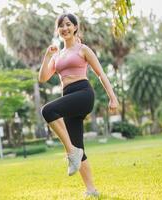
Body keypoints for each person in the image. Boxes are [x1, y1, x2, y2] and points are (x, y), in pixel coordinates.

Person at [38, 13, 119, 197]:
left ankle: (71, 152)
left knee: (48, 110)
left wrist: (112, 97)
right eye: (61, 26)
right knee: (77, 145)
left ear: (75, 27)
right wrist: (47, 56)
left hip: (83, 93)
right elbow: (42, 78)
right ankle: (91, 190)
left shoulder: (83, 49)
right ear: (58, 30)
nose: (64, 28)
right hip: (68, 97)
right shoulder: (57, 55)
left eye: (68, 24)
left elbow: (100, 74)